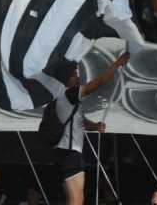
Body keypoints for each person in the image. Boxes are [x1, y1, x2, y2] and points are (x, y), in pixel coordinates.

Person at [53, 53, 127, 205]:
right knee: (76, 200)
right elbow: (98, 82)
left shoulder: (69, 100)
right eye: (74, 76)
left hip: (70, 154)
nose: (78, 79)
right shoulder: (68, 94)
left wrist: (95, 126)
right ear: (65, 80)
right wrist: (117, 64)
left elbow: (82, 122)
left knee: (74, 199)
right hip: (70, 153)